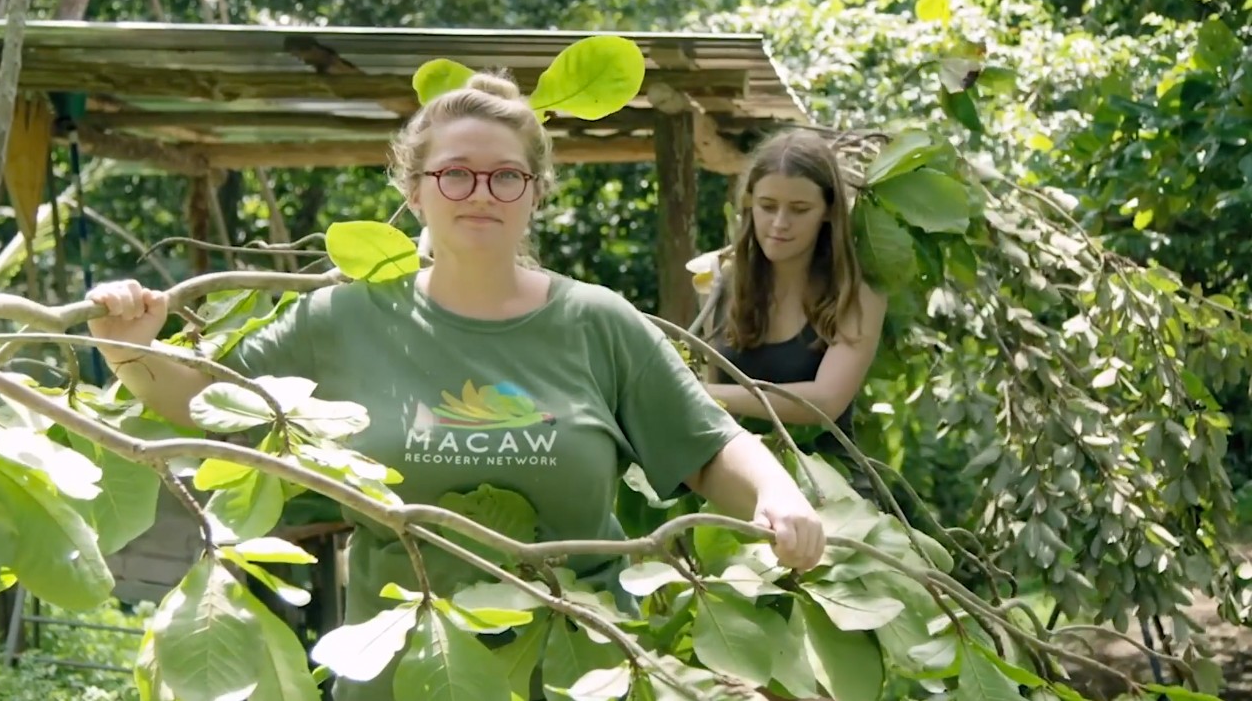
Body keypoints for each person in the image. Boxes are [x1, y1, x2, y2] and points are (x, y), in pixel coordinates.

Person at [84, 70, 826, 701]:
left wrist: (778, 495)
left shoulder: (599, 322)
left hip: (577, 672)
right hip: (399, 673)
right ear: (415, 191)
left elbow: (707, 446)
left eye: (506, 176)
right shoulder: (342, 318)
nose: (482, 193)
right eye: (455, 173)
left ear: (535, 192)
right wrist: (127, 349)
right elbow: (205, 402)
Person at [700, 128, 887, 461]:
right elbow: (713, 408)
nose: (779, 223)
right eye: (767, 206)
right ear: (750, 203)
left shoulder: (858, 293)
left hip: (829, 480)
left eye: (799, 209)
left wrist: (702, 394)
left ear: (828, 211)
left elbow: (825, 401)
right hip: (735, 473)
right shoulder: (719, 282)